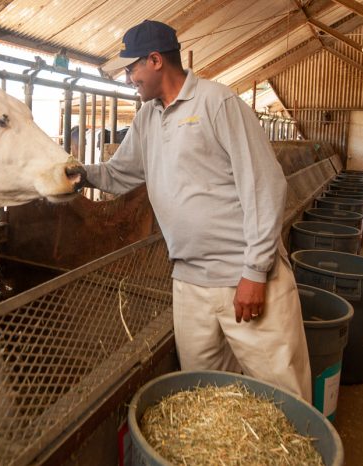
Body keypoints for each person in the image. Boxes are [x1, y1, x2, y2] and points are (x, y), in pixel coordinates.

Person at [83, 20, 312, 402]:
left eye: (131, 68)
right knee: (204, 395)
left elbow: (264, 184)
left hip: (245, 277)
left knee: (281, 394)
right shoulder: (147, 118)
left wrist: (255, 271)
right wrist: (77, 176)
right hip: (189, 279)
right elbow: (120, 174)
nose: (128, 78)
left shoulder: (218, 103)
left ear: (155, 60)